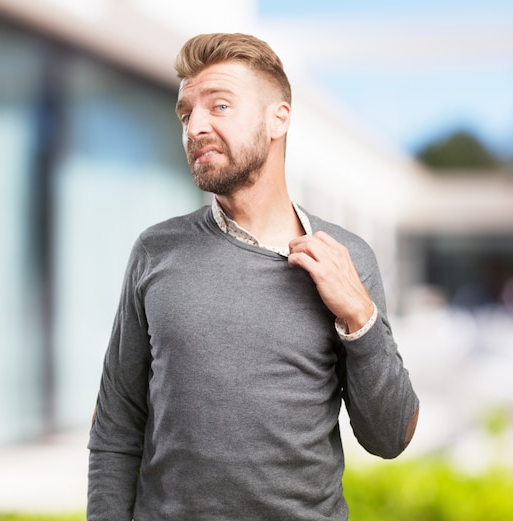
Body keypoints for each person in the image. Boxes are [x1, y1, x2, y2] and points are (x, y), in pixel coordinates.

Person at [88, 32, 419, 521]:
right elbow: (117, 427)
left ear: (277, 119)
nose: (195, 126)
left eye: (219, 106)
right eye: (186, 113)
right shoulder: (155, 251)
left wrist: (359, 315)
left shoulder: (348, 257)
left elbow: (390, 437)